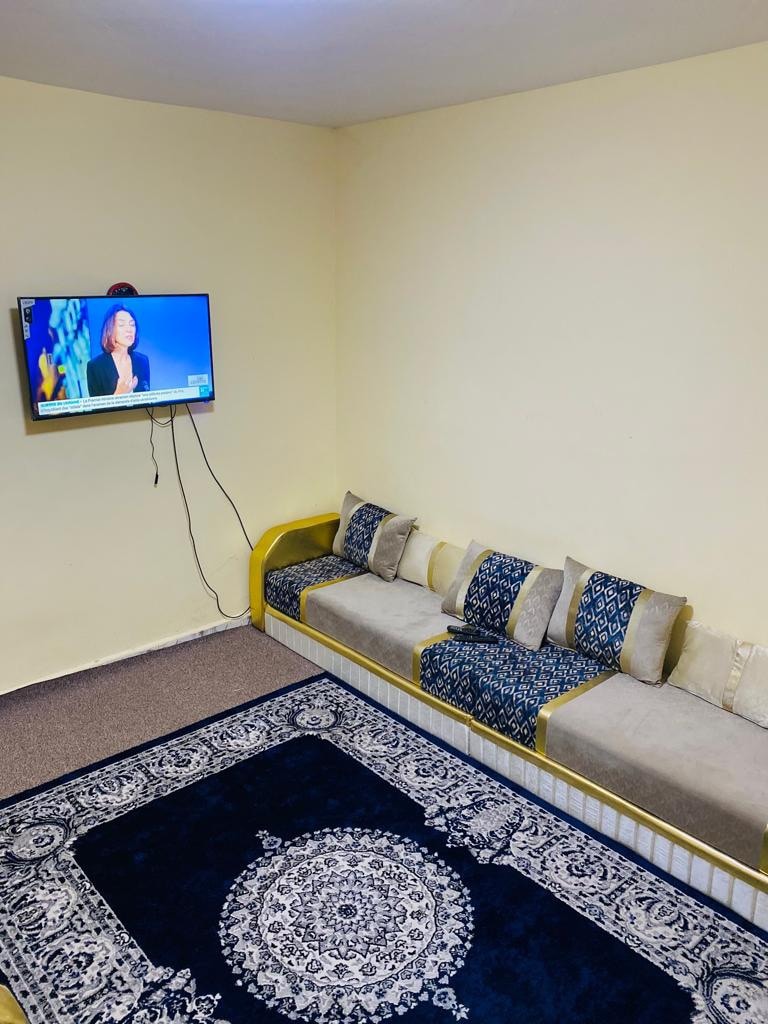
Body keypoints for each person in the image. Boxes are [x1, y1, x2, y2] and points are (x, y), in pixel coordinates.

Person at [86, 305, 150, 397]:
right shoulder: (95, 366)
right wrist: (118, 395)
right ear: (110, 329)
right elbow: (98, 408)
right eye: (121, 325)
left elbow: (147, 401)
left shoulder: (142, 360)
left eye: (132, 324)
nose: (129, 329)